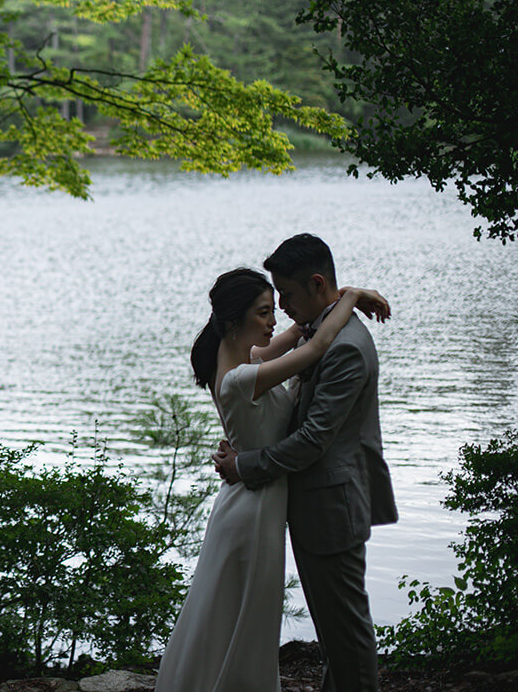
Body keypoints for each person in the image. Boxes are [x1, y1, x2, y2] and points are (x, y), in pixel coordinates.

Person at [155, 264, 390, 691]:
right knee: (247, 617)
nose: (274, 319)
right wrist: (352, 295)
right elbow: (316, 345)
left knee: (232, 613)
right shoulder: (244, 376)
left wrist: (336, 299)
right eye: (264, 312)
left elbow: (300, 335)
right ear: (234, 320)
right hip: (254, 510)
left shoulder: (241, 362)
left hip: (249, 502)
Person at [215, 234, 398, 692]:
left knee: (348, 636)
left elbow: (313, 440)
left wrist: (245, 465)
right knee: (335, 635)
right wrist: (351, 294)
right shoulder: (321, 332)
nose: (283, 309)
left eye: (288, 296)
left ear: (317, 285)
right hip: (317, 507)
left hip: (331, 510)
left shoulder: (347, 348)